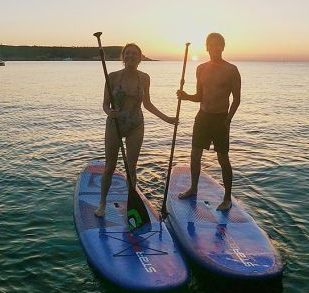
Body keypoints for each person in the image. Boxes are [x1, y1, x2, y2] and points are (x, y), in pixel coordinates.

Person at [95, 43, 177, 217]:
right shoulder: (112, 77)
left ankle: (131, 205)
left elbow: (147, 104)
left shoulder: (145, 78)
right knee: (110, 167)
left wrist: (167, 119)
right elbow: (105, 104)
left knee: (131, 167)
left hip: (136, 125)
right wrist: (110, 112)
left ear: (140, 58)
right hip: (114, 125)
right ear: (123, 57)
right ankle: (102, 203)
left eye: (134, 54)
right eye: (127, 53)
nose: (130, 56)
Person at [176, 32, 241, 210]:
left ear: (223, 47)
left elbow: (236, 99)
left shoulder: (231, 70)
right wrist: (185, 96)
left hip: (221, 119)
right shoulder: (201, 69)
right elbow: (199, 96)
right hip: (202, 117)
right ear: (207, 47)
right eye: (211, 45)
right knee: (195, 155)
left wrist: (229, 119)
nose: (214, 48)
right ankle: (193, 188)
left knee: (223, 158)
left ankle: (227, 198)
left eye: (218, 44)